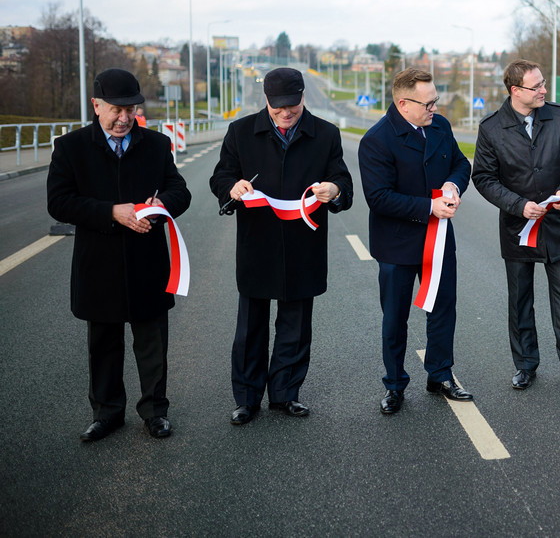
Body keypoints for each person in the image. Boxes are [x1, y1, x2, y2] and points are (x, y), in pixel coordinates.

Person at [47, 68, 191, 441]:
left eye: (131, 109)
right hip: (99, 265)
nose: (124, 118)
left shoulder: (157, 145)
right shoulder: (71, 147)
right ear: (96, 106)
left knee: (153, 345)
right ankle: (107, 413)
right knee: (104, 346)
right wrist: (112, 212)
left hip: (148, 264)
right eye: (116, 109)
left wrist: (162, 205)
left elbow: (180, 191)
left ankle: (155, 412)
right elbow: (59, 202)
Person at [209, 67, 353, 425]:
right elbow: (220, 176)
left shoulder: (326, 134)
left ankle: (286, 394)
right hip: (258, 243)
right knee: (250, 327)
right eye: (278, 109)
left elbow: (343, 182)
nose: (286, 114)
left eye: (292, 106)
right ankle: (246, 398)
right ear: (267, 102)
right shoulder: (240, 132)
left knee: (296, 325)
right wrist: (232, 188)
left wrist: (334, 191)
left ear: (303, 96)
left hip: (304, 244)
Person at [472, 59, 560, 391]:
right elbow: (483, 178)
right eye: (537, 85)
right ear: (516, 91)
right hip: (518, 228)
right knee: (520, 299)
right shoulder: (491, 128)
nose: (544, 90)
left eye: (544, 83)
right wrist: (518, 205)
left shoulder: (558, 116)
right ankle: (525, 365)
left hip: (558, 224)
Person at [358, 68, 473, 415]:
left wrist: (453, 185)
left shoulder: (439, 127)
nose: (435, 108)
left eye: (436, 101)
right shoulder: (376, 140)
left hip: (438, 240)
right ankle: (394, 385)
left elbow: (460, 163)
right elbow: (378, 197)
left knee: (443, 309)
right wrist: (429, 207)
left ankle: (440, 374)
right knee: (395, 317)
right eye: (429, 103)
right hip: (396, 244)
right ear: (403, 103)